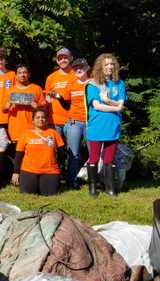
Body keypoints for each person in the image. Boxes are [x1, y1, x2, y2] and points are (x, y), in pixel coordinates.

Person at [85, 53, 127, 196]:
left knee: (109, 159)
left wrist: (108, 101)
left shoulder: (119, 84)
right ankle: (92, 188)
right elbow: (97, 106)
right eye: (106, 64)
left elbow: (122, 103)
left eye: (111, 64)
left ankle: (110, 188)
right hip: (97, 125)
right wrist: (116, 108)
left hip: (113, 125)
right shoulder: (93, 84)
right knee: (94, 158)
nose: (110, 67)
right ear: (100, 67)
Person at [51, 57, 90, 190]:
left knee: (94, 153)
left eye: (81, 67)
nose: (79, 70)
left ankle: (95, 180)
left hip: (91, 122)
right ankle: (71, 180)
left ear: (87, 68)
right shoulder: (71, 84)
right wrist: (59, 97)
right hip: (74, 122)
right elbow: (67, 105)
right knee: (74, 153)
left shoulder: (93, 83)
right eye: (76, 68)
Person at [12, 109, 64, 195]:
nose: (41, 119)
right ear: (33, 120)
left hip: (49, 170)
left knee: (50, 193)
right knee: (27, 192)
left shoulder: (53, 133)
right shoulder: (25, 134)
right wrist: (16, 172)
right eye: (38, 117)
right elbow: (18, 155)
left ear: (46, 120)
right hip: (29, 170)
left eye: (43, 117)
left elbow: (62, 153)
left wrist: (58, 167)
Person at [2, 63, 46, 149]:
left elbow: (43, 107)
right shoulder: (10, 91)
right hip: (16, 129)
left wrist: (36, 106)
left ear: (29, 74)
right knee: (19, 155)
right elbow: (3, 110)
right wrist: (6, 107)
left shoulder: (36, 89)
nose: (22, 75)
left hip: (33, 127)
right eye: (19, 73)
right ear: (16, 75)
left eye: (25, 72)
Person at [45, 47, 74, 135]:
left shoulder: (78, 75)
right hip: (54, 120)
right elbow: (47, 99)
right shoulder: (51, 77)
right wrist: (46, 116)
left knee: (72, 148)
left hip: (73, 120)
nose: (63, 60)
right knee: (54, 148)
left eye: (65, 58)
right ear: (57, 61)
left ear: (71, 58)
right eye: (60, 59)